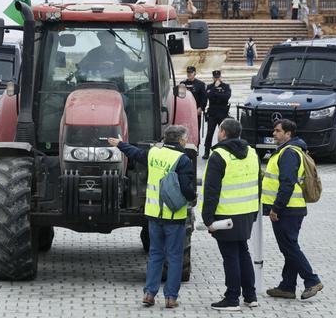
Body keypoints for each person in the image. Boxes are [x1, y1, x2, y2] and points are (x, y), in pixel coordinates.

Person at [108, 126, 195, 308]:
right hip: (174, 217)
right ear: (180, 140)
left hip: (154, 215)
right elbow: (187, 189)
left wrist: (120, 144)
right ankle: (171, 298)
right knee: (174, 257)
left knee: (155, 254)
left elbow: (136, 153)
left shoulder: (154, 153)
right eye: (185, 138)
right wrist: (193, 196)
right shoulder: (183, 159)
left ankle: (149, 294)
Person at [201, 118, 259, 311]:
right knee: (243, 252)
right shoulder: (252, 152)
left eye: (219, 130)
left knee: (230, 256)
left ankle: (232, 297)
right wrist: (255, 212)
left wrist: (207, 218)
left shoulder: (218, 155)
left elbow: (211, 190)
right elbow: (257, 183)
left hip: (226, 215)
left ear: (223, 133)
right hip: (247, 212)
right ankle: (251, 296)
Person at [261, 119, 322, 300]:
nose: (274, 134)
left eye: (278, 131)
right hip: (292, 209)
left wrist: (276, 208)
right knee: (290, 248)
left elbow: (287, 184)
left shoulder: (288, 153)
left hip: (287, 210)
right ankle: (287, 287)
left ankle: (312, 280)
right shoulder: (289, 151)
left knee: (289, 248)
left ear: (288, 134)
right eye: (274, 130)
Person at [204, 70, 232, 158]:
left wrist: (215, 94)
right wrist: (214, 89)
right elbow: (207, 96)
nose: (217, 79)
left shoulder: (226, 86)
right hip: (212, 114)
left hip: (223, 113)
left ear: (220, 77)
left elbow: (226, 97)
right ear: (213, 78)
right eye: (215, 77)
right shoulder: (209, 86)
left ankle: (225, 150)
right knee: (209, 133)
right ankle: (206, 152)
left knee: (224, 133)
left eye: (218, 77)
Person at [181, 66, 207, 138]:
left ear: (194, 73)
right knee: (184, 130)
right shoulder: (182, 83)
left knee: (195, 130)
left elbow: (204, 98)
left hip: (196, 110)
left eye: (191, 72)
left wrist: (201, 108)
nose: (189, 74)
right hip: (185, 111)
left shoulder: (200, 84)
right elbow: (179, 97)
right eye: (188, 72)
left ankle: (196, 146)